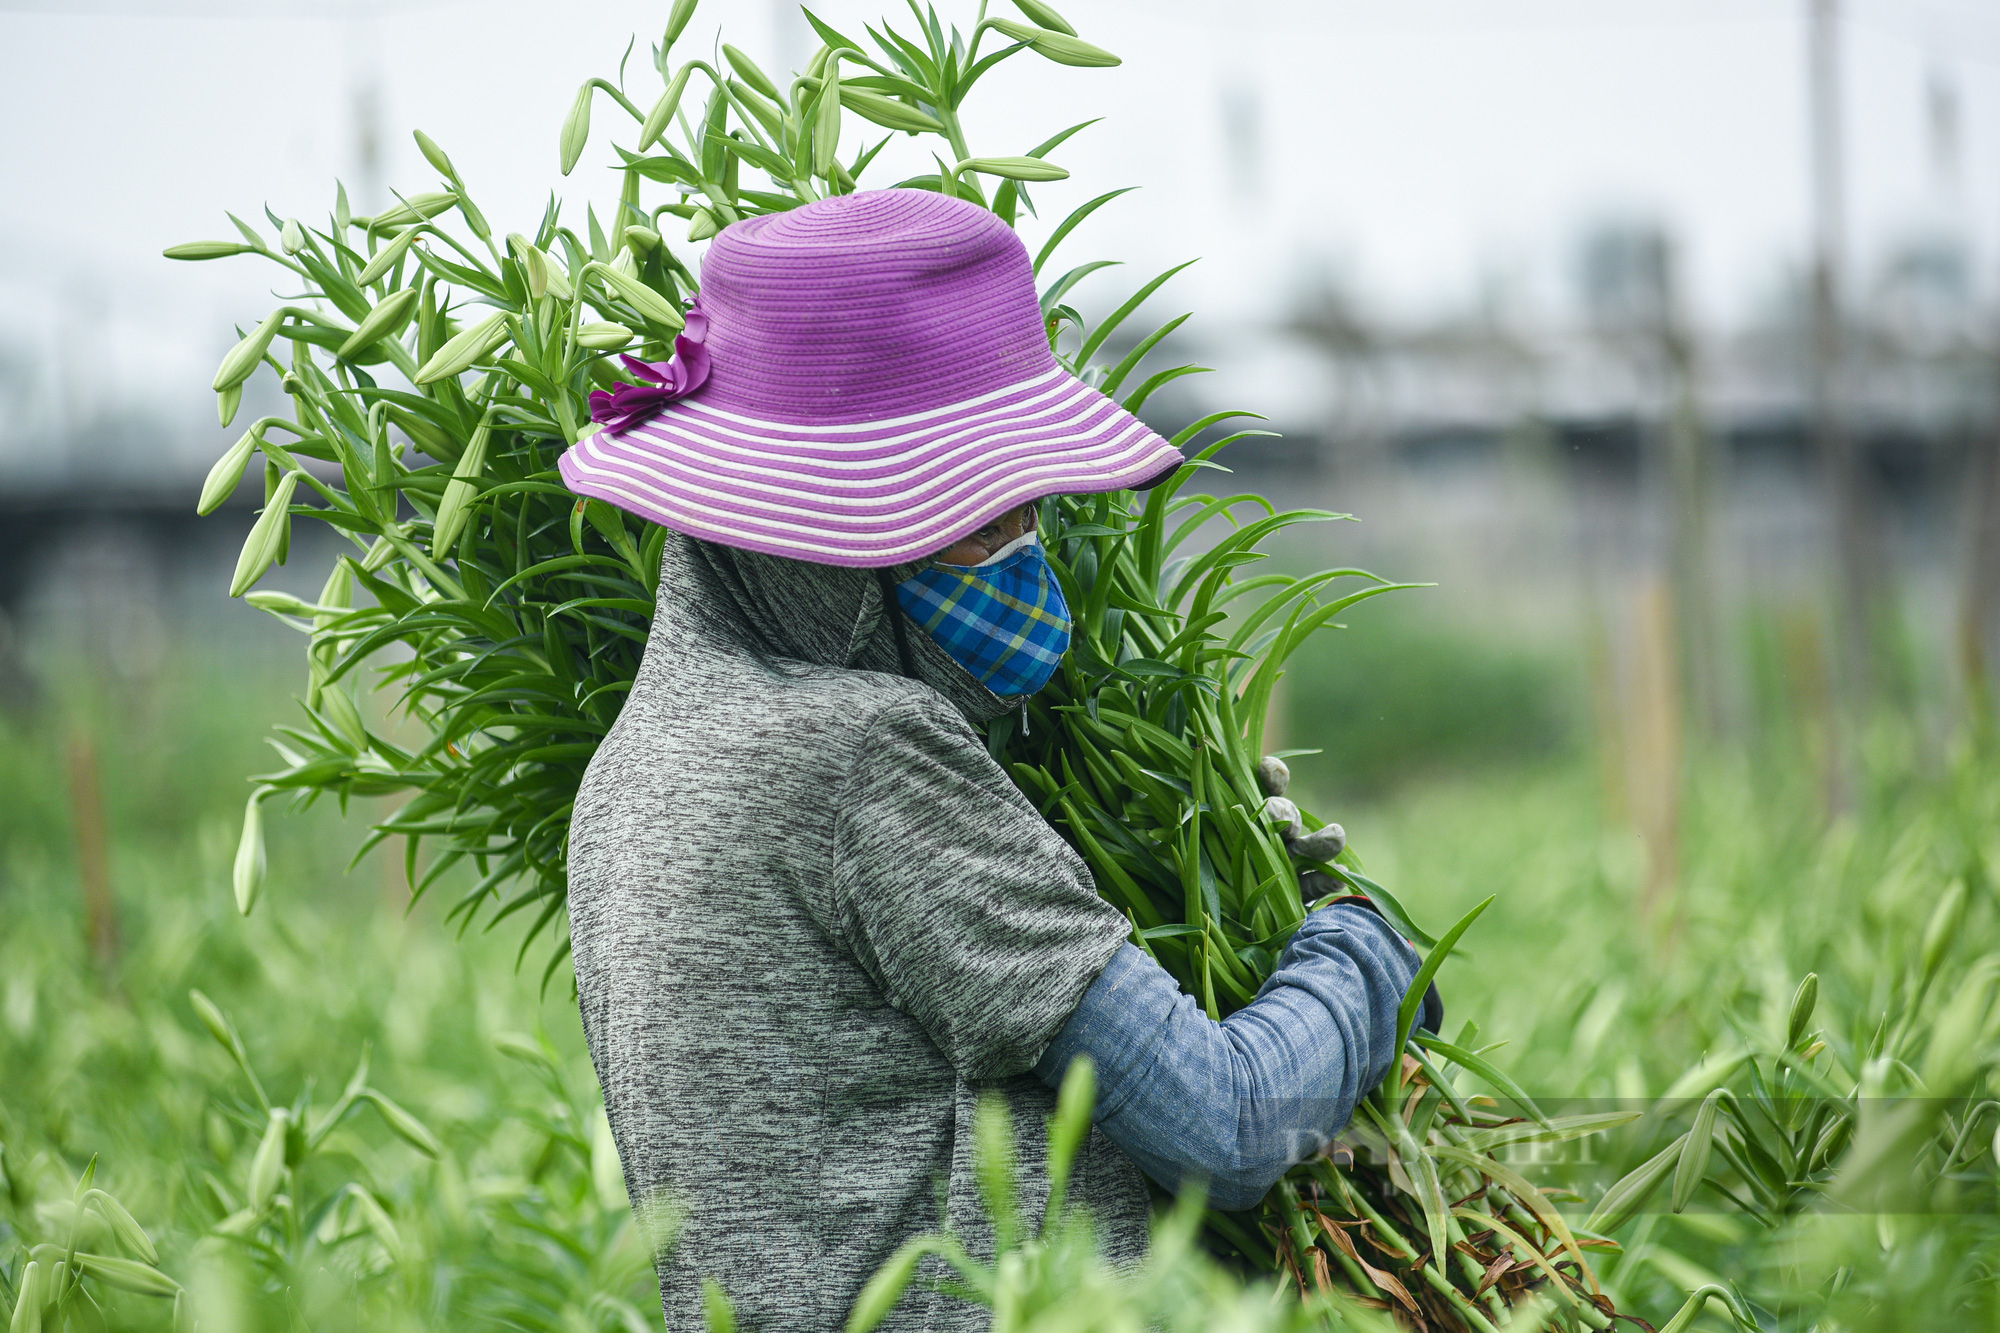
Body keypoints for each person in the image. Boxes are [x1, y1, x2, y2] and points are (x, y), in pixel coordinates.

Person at [558, 189, 1433, 1333]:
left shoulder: (627, 772)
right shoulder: (861, 757)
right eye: (980, 517)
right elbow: (1228, 1121)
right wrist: (1363, 944)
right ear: (829, 536)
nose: (1023, 553)